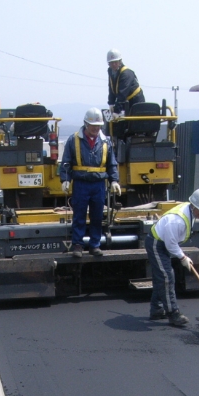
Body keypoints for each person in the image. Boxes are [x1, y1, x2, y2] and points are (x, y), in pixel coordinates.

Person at [145, 188, 199, 327]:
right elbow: (171, 245)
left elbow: (171, 243)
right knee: (167, 277)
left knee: (162, 276)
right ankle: (173, 313)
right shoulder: (177, 220)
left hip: (165, 242)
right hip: (156, 244)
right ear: (194, 206)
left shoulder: (191, 213)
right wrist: (183, 258)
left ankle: (157, 310)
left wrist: (182, 256)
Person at [59, 108, 120, 257]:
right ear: (86, 124)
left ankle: (94, 245)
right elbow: (66, 162)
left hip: (98, 185)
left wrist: (114, 181)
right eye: (93, 125)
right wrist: (65, 180)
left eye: (98, 125)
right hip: (81, 183)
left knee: (97, 216)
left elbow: (111, 164)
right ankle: (77, 245)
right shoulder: (73, 140)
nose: (96, 128)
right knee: (79, 215)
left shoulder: (105, 141)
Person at [106, 49, 145, 115]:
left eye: (116, 62)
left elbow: (122, 94)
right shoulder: (111, 71)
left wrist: (116, 111)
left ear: (120, 61)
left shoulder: (126, 73)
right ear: (108, 63)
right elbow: (111, 88)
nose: (114, 64)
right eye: (111, 62)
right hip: (125, 102)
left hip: (136, 101)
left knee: (134, 122)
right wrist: (111, 104)